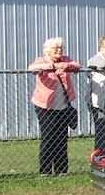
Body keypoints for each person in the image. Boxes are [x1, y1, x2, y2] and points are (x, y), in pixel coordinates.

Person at [28, 37, 81, 176]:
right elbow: (32, 68)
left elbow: (77, 66)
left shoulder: (66, 60)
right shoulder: (41, 60)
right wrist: (53, 67)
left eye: (61, 48)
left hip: (63, 105)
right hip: (44, 106)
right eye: (56, 48)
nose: (59, 50)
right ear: (47, 50)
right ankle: (45, 171)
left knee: (61, 137)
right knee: (48, 136)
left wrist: (65, 66)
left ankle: (61, 170)